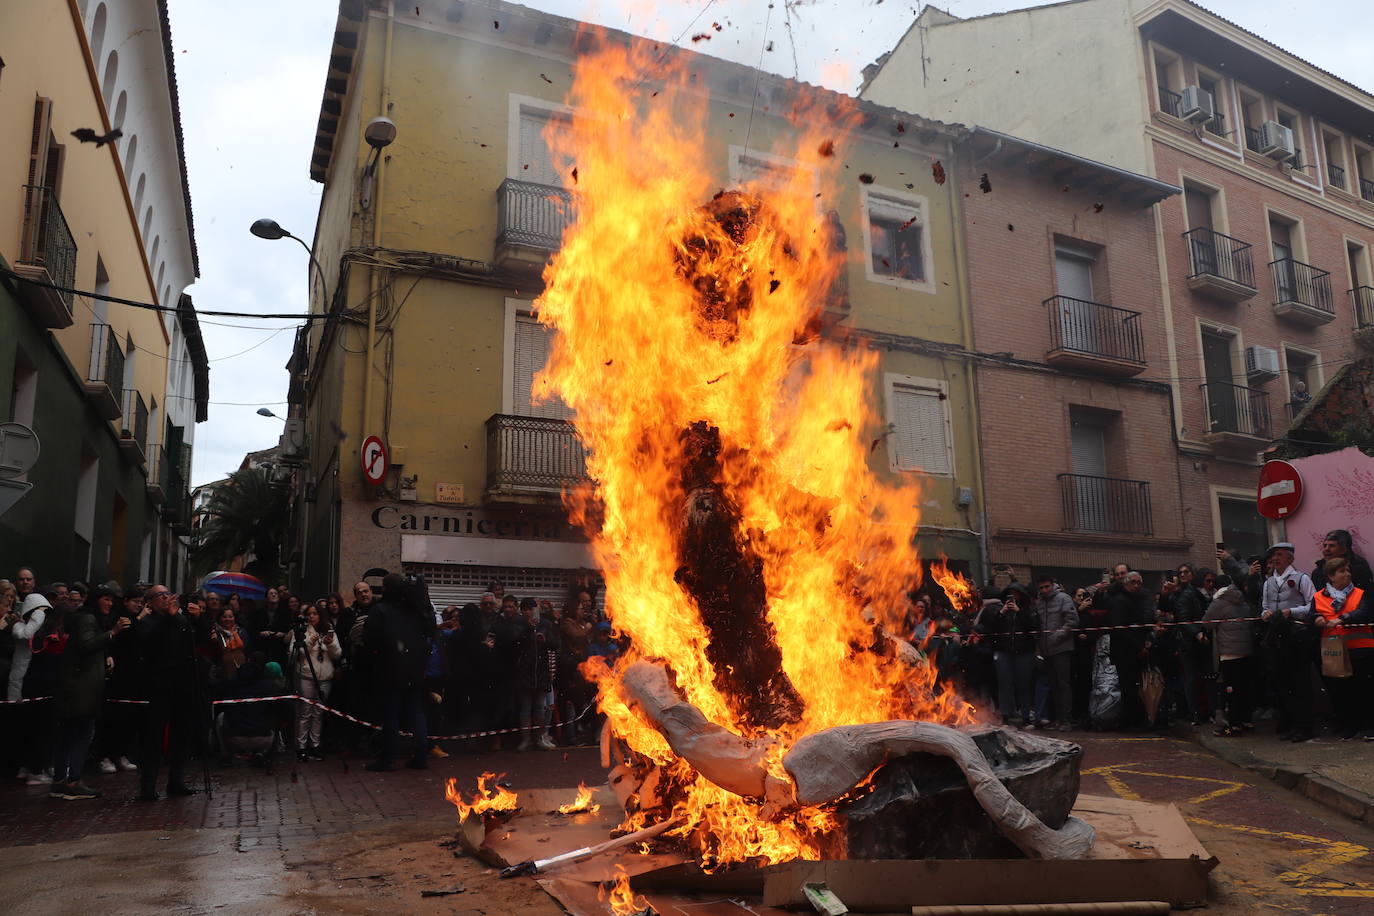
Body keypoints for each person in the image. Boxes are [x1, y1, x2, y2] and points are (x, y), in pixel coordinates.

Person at [50, 585, 129, 799]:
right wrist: (112, 633)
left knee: (67, 734)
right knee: (82, 733)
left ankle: (59, 780)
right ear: (96, 600)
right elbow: (86, 645)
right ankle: (73, 781)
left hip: (76, 684)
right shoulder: (88, 619)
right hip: (82, 688)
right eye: (106, 599)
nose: (110, 604)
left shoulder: (83, 618)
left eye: (111, 600)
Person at [135, 584, 209, 800]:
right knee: (154, 737)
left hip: (183, 684)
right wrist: (168, 617)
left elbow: (202, 640)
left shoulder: (181, 620)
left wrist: (198, 618)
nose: (167, 598)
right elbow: (149, 642)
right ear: (149, 601)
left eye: (168, 594)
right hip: (159, 686)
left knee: (181, 734)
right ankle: (147, 786)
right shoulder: (147, 622)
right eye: (161, 595)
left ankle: (176, 780)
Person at [364, 574, 436, 771]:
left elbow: (370, 640)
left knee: (391, 714)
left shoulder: (381, 610)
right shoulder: (415, 611)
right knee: (416, 713)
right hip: (414, 670)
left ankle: (388, 759)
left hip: (389, 670)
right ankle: (421, 757)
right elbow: (429, 632)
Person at [1311, 557, 1374, 740]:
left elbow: (1363, 612)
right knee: (1342, 691)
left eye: (1348, 570)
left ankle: (1369, 726)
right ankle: (1349, 726)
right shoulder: (1318, 596)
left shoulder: (1360, 593)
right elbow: (1312, 614)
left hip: (1360, 649)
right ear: (1331, 576)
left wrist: (1343, 618)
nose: (1346, 574)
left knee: (1365, 690)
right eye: (1341, 571)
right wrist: (1317, 619)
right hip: (1334, 651)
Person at [1263, 542, 1317, 742]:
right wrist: (1266, 614)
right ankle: (1290, 724)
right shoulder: (1268, 582)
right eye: (1273, 555)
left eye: (1279, 554)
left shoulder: (1302, 578)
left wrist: (1291, 612)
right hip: (1277, 637)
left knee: (1300, 682)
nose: (1275, 559)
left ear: (1290, 558)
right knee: (1282, 682)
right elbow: (1264, 606)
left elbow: (1313, 605)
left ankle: (1305, 727)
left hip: (1297, 636)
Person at [285, 605, 341, 761]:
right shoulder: (301, 631)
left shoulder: (329, 630)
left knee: (318, 713)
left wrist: (330, 644)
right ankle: (301, 746)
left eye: (315, 614)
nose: (311, 617)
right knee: (304, 712)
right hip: (307, 676)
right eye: (309, 614)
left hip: (325, 678)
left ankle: (314, 745)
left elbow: (337, 655)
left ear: (320, 615)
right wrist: (309, 641)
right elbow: (295, 653)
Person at [1204, 576, 1257, 737]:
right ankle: (1246, 720)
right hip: (1246, 650)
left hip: (1229, 652)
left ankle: (1233, 725)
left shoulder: (1219, 602)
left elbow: (1207, 622)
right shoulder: (1243, 601)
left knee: (1230, 690)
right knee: (1244, 689)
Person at [1107, 571, 1155, 729]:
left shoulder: (1138, 600)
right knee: (1127, 687)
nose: (1136, 586)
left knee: (1136, 687)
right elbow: (1120, 628)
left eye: (1139, 583)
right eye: (1133, 582)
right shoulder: (1119, 601)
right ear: (1125, 583)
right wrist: (1138, 647)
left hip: (1136, 651)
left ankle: (1137, 718)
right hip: (1124, 652)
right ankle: (1129, 721)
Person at [1032, 574, 1078, 730]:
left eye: (1047, 586)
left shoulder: (1064, 598)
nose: (1044, 590)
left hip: (1062, 648)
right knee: (1053, 685)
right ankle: (1057, 719)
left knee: (1063, 684)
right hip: (1046, 650)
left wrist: (1056, 636)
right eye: (1041, 587)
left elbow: (1072, 621)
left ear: (1052, 585)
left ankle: (1066, 720)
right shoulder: (1039, 602)